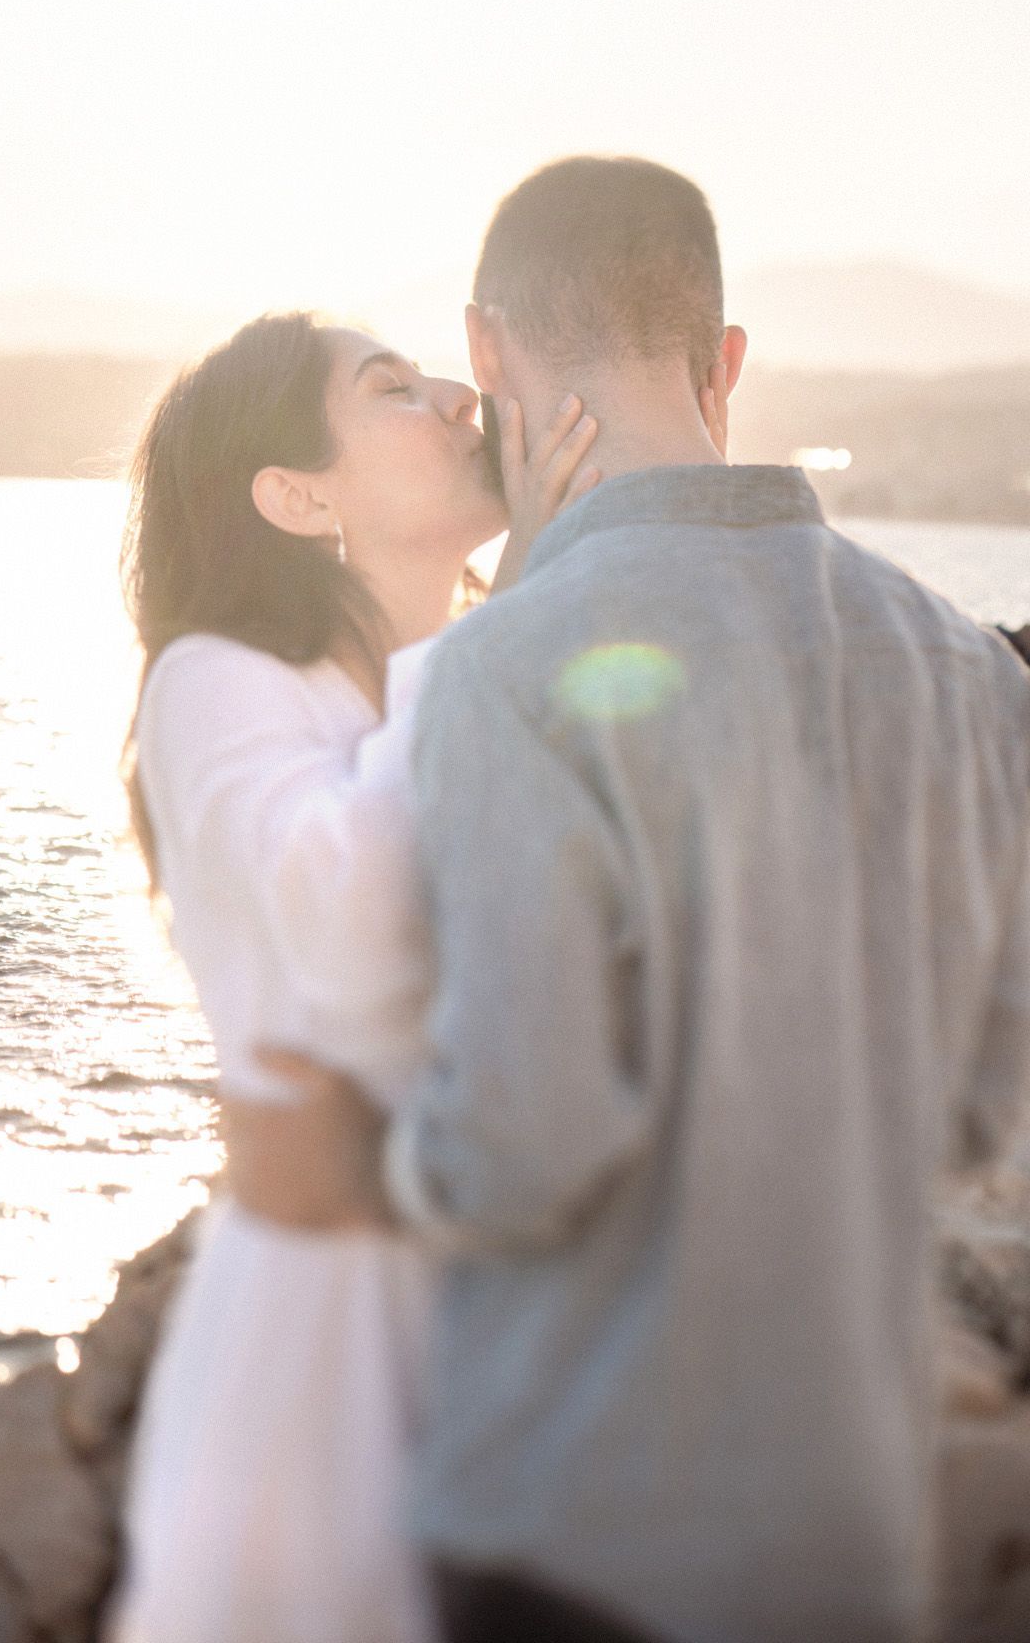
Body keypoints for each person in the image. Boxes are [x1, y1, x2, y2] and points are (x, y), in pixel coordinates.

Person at [221, 157, 1030, 1643]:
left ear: (487, 351)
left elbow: (528, 1146)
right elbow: (984, 1096)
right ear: (728, 362)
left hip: (573, 1530)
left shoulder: (501, 673)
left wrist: (356, 1152)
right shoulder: (972, 673)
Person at [107, 308, 624, 1643]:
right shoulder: (214, 681)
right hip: (323, 1357)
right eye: (393, 388)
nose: (458, 397)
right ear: (295, 494)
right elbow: (349, 935)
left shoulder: (499, 671)